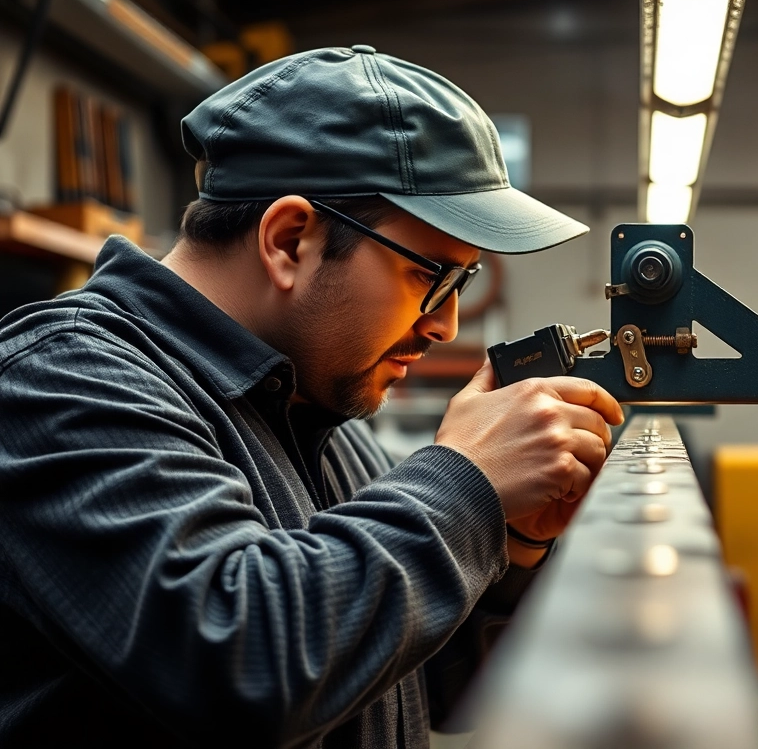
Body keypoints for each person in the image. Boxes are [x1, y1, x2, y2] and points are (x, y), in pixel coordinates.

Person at [0, 45, 622, 748]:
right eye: (432, 277)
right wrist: (465, 485)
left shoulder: (320, 413)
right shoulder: (63, 380)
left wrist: (513, 540)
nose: (446, 323)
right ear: (290, 239)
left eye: (463, 285)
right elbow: (240, 665)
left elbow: (432, 688)